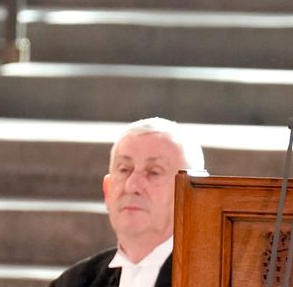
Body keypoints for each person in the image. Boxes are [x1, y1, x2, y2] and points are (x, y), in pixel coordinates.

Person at [51, 117, 206, 287]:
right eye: (124, 169)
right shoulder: (75, 282)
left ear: (193, 195)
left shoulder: (219, 277)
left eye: (154, 172)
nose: (132, 185)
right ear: (107, 190)